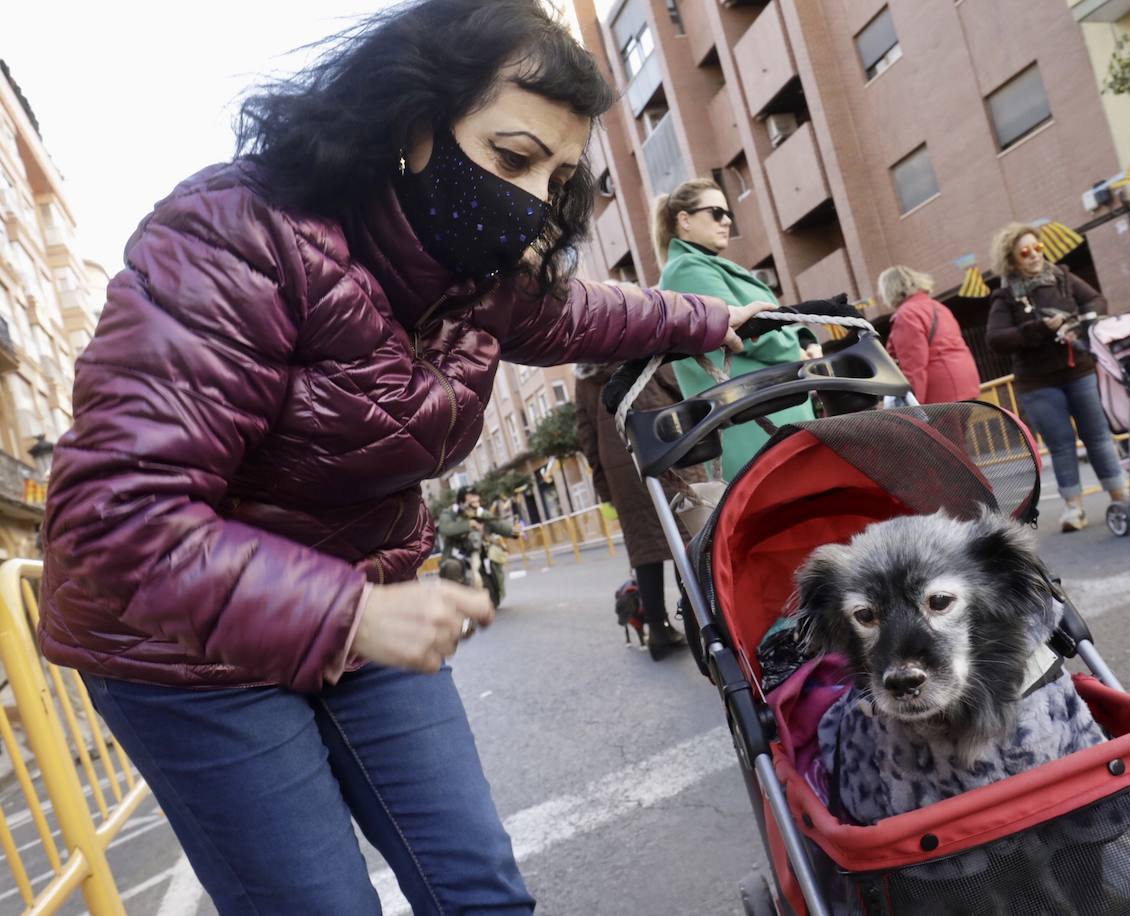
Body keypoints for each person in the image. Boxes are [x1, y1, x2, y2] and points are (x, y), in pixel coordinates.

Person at [34, 3, 771, 912]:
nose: (536, 195)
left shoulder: (483, 277)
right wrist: (348, 617)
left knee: (483, 894)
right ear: (414, 123)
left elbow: (590, 312)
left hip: (363, 602)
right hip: (184, 654)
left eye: (560, 174)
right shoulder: (234, 232)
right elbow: (116, 516)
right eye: (511, 157)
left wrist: (713, 317)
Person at [985, 223, 1130, 532]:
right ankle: (1073, 508)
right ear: (1012, 258)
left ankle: (1121, 495)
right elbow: (995, 339)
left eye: (1038, 248)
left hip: (1080, 370)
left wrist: (1083, 322)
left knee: (1098, 436)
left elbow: (1097, 301)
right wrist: (1037, 329)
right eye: (1025, 251)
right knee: (1061, 445)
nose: (1034, 256)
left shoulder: (1062, 276)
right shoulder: (1005, 297)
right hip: (1038, 382)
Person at [654, 178, 816, 479]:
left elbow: (770, 318)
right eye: (716, 212)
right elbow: (745, 331)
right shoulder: (685, 269)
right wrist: (798, 349)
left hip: (766, 413)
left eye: (728, 213)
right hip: (754, 422)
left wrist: (807, 340)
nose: (726, 221)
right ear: (684, 220)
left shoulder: (705, 265)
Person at [573, 362, 699, 660]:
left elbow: (586, 431)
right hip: (663, 439)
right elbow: (678, 386)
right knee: (683, 538)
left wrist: (604, 484)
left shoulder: (584, 374)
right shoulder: (641, 341)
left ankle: (657, 630)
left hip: (621, 462)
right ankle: (696, 623)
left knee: (645, 550)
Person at [878, 265, 981, 403]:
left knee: (941, 425)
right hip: (966, 380)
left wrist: (913, 406)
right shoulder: (938, 306)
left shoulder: (906, 315)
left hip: (941, 389)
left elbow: (914, 365)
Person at [438, 488, 515, 608]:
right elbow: (446, 529)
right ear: (461, 503)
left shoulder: (481, 514)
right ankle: (455, 601)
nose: (476, 505)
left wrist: (513, 531)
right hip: (458, 559)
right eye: (471, 503)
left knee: (491, 603)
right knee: (451, 567)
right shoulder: (449, 514)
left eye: (477, 501)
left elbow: (499, 525)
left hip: (479, 562)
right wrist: (469, 524)